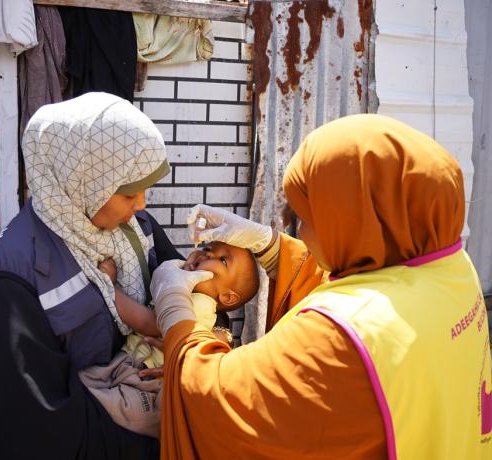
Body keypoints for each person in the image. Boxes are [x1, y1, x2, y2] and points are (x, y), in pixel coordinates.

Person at [149, 114, 492, 459]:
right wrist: (269, 245)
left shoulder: (344, 336)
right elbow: (361, 282)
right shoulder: (452, 269)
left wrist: (176, 309)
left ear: (354, 222)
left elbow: (213, 398)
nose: (299, 232)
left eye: (306, 218)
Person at [0, 92, 186, 459]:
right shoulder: (15, 280)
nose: (142, 203)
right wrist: (154, 438)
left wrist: (195, 347)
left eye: (144, 188)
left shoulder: (137, 228)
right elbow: (26, 431)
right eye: (129, 192)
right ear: (82, 180)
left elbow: (196, 294)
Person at [78, 241, 260, 438]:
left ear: (227, 297)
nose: (208, 254)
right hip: (130, 362)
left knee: (112, 407)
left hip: (149, 381)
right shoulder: (185, 289)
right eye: (208, 248)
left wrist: (111, 286)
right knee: (85, 384)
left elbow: (148, 323)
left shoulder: (199, 303)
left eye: (223, 260)